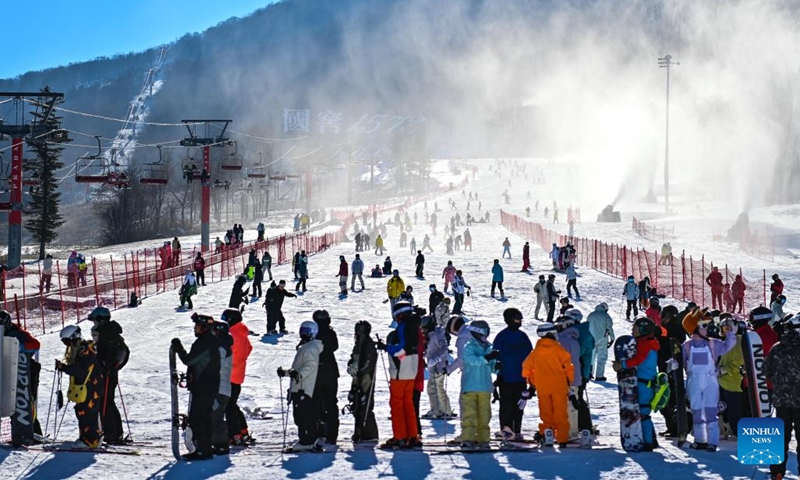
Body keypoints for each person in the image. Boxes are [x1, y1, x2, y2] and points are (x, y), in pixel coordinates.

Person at [680, 309, 737, 452]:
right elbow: (680, 361)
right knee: (697, 410)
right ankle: (700, 440)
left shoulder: (712, 343)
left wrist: (730, 333)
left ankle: (712, 441)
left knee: (711, 410)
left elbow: (728, 346)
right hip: (694, 380)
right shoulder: (687, 346)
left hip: (710, 380)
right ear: (694, 328)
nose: (707, 329)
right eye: (703, 325)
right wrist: (674, 364)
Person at [171, 313, 220, 460]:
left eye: (197, 326)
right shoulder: (211, 340)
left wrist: (178, 347)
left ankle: (202, 450)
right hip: (209, 385)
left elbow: (189, 360)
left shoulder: (204, 342)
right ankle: (206, 449)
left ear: (203, 327)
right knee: (205, 417)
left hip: (203, 386)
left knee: (196, 418)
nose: (194, 329)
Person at [612, 316, 661, 451]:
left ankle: (647, 442)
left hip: (643, 382)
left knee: (643, 413)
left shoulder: (644, 344)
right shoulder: (648, 342)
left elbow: (638, 360)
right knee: (644, 411)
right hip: (646, 382)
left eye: (635, 328)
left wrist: (622, 364)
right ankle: (651, 439)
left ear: (644, 329)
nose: (632, 330)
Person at [377, 301, 421, 449]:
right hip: (412, 368)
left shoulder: (403, 326)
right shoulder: (415, 326)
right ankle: (412, 435)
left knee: (397, 404)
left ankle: (400, 436)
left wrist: (386, 347)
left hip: (400, 370)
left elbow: (401, 349)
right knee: (408, 403)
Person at [522, 323, 573, 447]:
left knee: (546, 413)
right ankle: (562, 439)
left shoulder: (535, 352)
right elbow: (568, 366)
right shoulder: (558, 349)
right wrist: (568, 381)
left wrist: (533, 381)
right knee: (560, 414)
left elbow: (526, 369)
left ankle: (547, 434)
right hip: (559, 386)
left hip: (542, 387)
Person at [277, 321, 324, 451]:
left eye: (307, 331)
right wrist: (286, 372)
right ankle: (307, 439)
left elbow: (310, 366)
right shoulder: (306, 347)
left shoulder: (311, 348)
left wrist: (299, 375)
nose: (303, 334)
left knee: (303, 416)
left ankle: (307, 441)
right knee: (300, 415)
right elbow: (298, 369)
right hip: (299, 386)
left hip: (304, 387)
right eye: (302, 330)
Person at [56, 325, 104, 449]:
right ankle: (88, 437)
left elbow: (80, 370)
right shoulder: (81, 350)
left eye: (67, 341)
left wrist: (64, 367)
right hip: (85, 388)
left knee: (88, 413)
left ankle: (91, 440)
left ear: (74, 338)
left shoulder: (87, 351)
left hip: (91, 388)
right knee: (83, 412)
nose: (67, 345)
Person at [764, 315, 800, 480]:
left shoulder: (777, 347)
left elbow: (766, 370)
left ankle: (777, 472)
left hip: (781, 401)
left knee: (780, 438)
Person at [88, 307, 129, 445]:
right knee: (109, 401)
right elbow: (126, 352)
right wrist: (115, 367)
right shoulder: (112, 332)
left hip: (106, 374)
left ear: (101, 320)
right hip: (110, 372)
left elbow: (104, 354)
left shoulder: (106, 334)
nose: (94, 324)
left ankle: (111, 435)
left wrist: (106, 366)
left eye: (95, 321)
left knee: (104, 403)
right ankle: (116, 433)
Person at [2, 310, 42, 446]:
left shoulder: (18, 333)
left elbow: (36, 344)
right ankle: (17, 433)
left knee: (26, 402)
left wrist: (21, 347)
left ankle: (34, 433)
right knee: (10, 405)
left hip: (26, 374)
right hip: (7, 374)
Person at [458, 320, 499, 450]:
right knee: (469, 415)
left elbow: (490, 366)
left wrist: (497, 366)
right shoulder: (469, 346)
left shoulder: (488, 347)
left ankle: (483, 440)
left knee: (484, 415)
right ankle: (468, 439)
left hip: (484, 387)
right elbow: (472, 361)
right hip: (470, 386)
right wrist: (487, 358)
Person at [493, 308, 533, 441]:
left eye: (520, 319)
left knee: (519, 405)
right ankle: (507, 429)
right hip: (506, 377)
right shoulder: (502, 337)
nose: (519, 321)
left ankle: (517, 430)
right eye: (517, 319)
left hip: (521, 378)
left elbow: (531, 356)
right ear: (509, 320)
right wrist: (499, 375)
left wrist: (531, 377)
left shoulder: (523, 336)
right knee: (506, 405)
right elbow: (496, 358)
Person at [221, 308, 254, 446]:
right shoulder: (242, 333)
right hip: (238, 374)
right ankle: (242, 431)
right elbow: (249, 348)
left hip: (229, 375)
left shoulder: (232, 334)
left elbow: (226, 354)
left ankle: (235, 435)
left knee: (228, 406)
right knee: (232, 404)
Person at [347, 321, 380, 443]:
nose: (357, 333)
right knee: (356, 403)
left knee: (365, 404)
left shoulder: (368, 344)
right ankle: (360, 431)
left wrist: (360, 371)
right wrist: (351, 365)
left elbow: (369, 362)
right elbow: (354, 358)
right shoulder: (358, 344)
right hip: (357, 377)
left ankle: (369, 433)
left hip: (366, 378)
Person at [313, 310, 340, 445]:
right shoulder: (330, 333)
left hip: (317, 372)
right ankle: (331, 433)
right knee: (331, 403)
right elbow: (334, 346)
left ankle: (319, 430)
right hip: (330, 372)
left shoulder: (314, 333)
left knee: (317, 403)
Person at [717, 312, 744, 442]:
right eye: (724, 328)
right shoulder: (723, 342)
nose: (725, 331)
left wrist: (725, 369)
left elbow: (739, 361)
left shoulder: (738, 341)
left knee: (734, 409)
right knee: (722, 408)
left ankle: (736, 431)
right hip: (720, 380)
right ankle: (725, 429)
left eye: (728, 328)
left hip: (733, 380)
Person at [555, 313, 582, 440]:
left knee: (562, 406)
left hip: (562, 378)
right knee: (572, 406)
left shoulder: (560, 341)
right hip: (575, 377)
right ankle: (573, 431)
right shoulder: (574, 340)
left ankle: (564, 431)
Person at [421, 315, 453, 419]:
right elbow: (433, 349)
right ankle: (443, 410)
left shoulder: (437, 334)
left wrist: (434, 359)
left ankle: (439, 411)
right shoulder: (431, 334)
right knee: (436, 388)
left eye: (424, 328)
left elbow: (443, 348)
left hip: (438, 367)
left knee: (434, 388)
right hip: (436, 366)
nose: (423, 330)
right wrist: (426, 354)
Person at [210, 320, 233, 455]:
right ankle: (216, 443)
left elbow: (216, 368)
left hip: (219, 389)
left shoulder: (221, 349)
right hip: (221, 388)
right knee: (214, 415)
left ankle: (221, 445)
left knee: (216, 417)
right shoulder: (221, 346)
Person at [587, 303, 614, 382]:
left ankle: (588, 373)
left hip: (591, 340)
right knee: (601, 358)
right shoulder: (606, 316)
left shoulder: (591, 315)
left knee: (591, 357)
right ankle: (599, 375)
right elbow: (609, 328)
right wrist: (612, 338)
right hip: (603, 340)